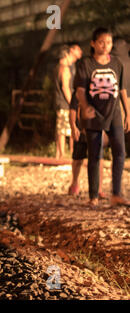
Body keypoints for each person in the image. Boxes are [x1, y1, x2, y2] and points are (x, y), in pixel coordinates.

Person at [74, 27, 130, 207]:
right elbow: (80, 91)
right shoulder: (86, 64)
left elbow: (122, 90)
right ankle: (93, 196)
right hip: (94, 114)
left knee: (120, 152)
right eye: (101, 42)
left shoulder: (117, 64)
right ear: (93, 43)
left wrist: (128, 113)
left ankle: (116, 194)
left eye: (109, 42)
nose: (106, 46)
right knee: (94, 155)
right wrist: (85, 107)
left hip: (114, 113)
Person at [68, 88, 108, 198]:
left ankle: (98, 188)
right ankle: (75, 183)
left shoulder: (98, 90)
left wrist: (104, 128)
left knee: (99, 159)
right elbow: (72, 109)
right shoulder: (78, 90)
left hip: (96, 129)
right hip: (81, 130)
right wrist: (73, 126)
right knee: (77, 159)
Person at [53, 44, 83, 159]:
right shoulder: (65, 69)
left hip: (60, 102)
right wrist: (73, 103)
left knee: (61, 129)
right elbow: (65, 87)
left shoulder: (58, 67)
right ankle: (63, 155)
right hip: (65, 103)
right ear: (67, 54)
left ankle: (59, 154)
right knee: (65, 130)